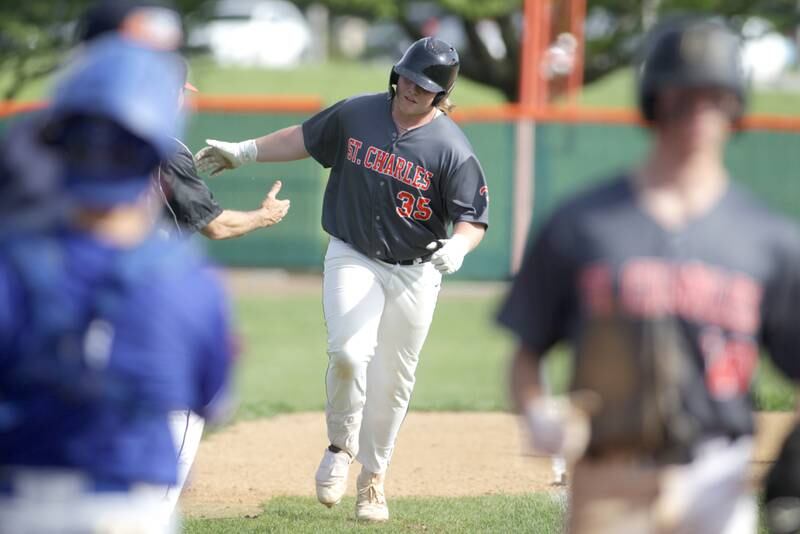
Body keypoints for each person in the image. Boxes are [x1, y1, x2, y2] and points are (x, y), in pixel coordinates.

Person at [498, 17, 800, 534]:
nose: (698, 112)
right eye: (682, 95)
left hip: (720, 478)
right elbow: (527, 350)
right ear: (654, 101)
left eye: (715, 96)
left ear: (735, 106)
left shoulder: (767, 238)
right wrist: (536, 411)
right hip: (609, 472)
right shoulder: (584, 224)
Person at [194, 37, 489, 522]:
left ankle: (373, 481)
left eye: (427, 85)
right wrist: (245, 151)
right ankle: (339, 446)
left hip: (416, 274)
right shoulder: (359, 114)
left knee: (393, 380)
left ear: (441, 94)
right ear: (398, 75)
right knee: (350, 353)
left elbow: (472, 217)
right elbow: (306, 137)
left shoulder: (451, 147)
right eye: (410, 78)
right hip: (353, 254)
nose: (414, 89)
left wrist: (459, 245)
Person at [0, 36, 235, 534]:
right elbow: (211, 397)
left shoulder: (13, 265)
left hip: (18, 502)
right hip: (128, 507)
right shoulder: (186, 279)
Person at [74, 0, 290, 523]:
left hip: (65, 308)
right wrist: (263, 216)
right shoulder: (163, 146)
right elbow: (216, 226)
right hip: (144, 307)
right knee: (175, 428)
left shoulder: (47, 138)